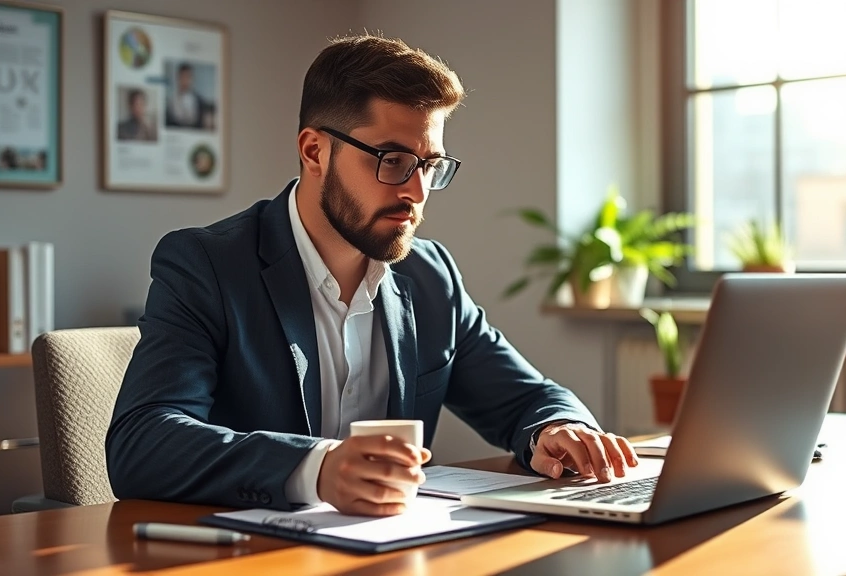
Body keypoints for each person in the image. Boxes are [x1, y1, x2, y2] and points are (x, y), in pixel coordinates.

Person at [106, 33, 639, 517]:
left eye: (430, 164)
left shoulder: (429, 276)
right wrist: (318, 468)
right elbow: (143, 442)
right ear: (314, 151)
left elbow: (526, 396)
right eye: (392, 159)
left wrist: (557, 429)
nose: (416, 190)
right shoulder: (208, 265)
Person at [165, 62, 211, 129]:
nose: (185, 80)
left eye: (188, 77)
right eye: (182, 77)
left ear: (192, 79)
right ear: (178, 78)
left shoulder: (200, 101)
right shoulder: (170, 101)